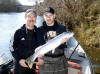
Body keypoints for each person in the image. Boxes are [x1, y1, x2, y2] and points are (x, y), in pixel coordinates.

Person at [36, 7, 68, 74]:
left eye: (50, 15)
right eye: (46, 15)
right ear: (43, 16)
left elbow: (63, 46)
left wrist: (62, 43)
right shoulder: (39, 30)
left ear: (54, 16)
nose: (48, 17)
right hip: (45, 61)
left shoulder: (62, 28)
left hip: (60, 60)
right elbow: (41, 45)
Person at [10, 9, 39, 74]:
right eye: (29, 16)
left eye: (33, 16)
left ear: (36, 18)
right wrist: (19, 59)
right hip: (19, 65)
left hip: (31, 65)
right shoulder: (18, 32)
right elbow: (11, 47)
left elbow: (42, 47)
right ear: (25, 18)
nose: (31, 19)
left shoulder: (38, 33)